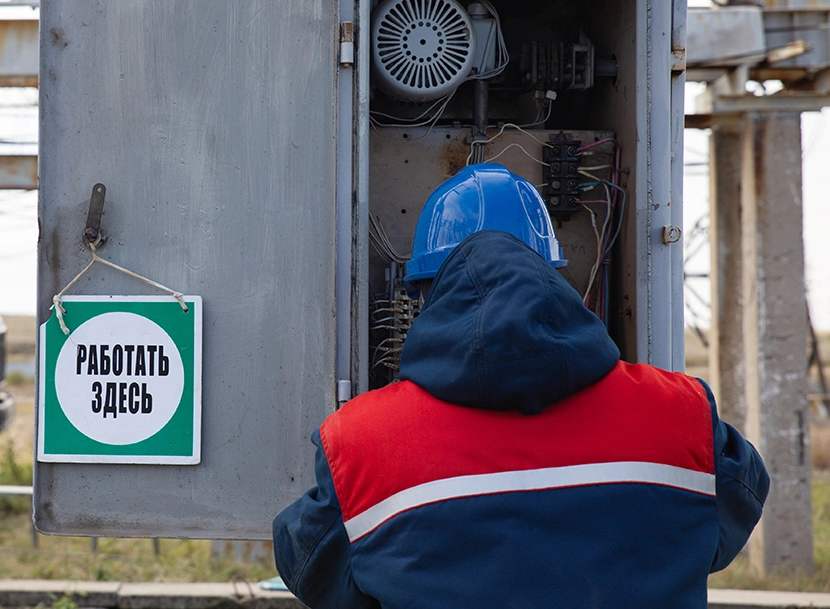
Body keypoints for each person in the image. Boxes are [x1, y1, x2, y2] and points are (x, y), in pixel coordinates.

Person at [273, 163, 769, 609]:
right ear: (556, 276)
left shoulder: (359, 443)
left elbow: (316, 572)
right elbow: (725, 528)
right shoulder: (680, 413)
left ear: (423, 295)